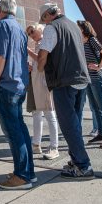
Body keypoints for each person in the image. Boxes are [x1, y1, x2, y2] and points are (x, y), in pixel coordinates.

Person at [37, 2, 94, 180]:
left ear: (48, 15)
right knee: (75, 123)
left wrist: (40, 70)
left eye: (44, 18)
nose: (44, 22)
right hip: (81, 79)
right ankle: (76, 160)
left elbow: (43, 53)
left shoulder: (51, 27)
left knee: (69, 125)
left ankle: (83, 166)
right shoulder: (74, 26)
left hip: (64, 81)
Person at [0, 0, 34, 190]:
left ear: (0, 9)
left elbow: (0, 56)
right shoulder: (20, 30)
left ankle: (21, 177)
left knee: (13, 132)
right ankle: (28, 172)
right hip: (19, 85)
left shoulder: (2, 26)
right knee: (20, 129)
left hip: (4, 86)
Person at [77, 20, 102, 149]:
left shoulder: (91, 40)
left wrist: (99, 66)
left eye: (78, 27)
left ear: (83, 29)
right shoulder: (80, 42)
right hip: (88, 79)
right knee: (95, 107)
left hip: (96, 78)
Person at [25, 23, 60, 160]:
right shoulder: (39, 43)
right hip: (35, 81)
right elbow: (36, 62)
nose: (31, 34)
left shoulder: (45, 42)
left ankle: (54, 146)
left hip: (44, 82)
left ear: (40, 29)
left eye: (32, 31)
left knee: (48, 113)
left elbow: (41, 60)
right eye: (29, 33)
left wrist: (28, 52)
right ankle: (36, 144)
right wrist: (30, 67)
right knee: (37, 112)